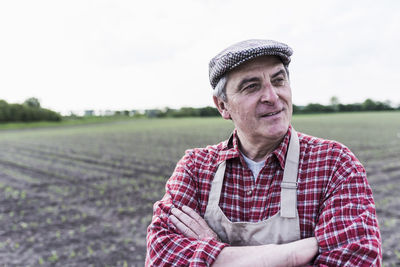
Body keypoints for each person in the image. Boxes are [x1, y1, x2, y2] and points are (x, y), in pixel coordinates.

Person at [145, 39, 382, 266]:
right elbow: (161, 258)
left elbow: (358, 259)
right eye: (252, 87)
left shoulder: (334, 164)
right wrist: (289, 255)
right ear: (222, 106)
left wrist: (215, 252)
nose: (271, 96)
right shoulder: (196, 168)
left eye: (278, 81)